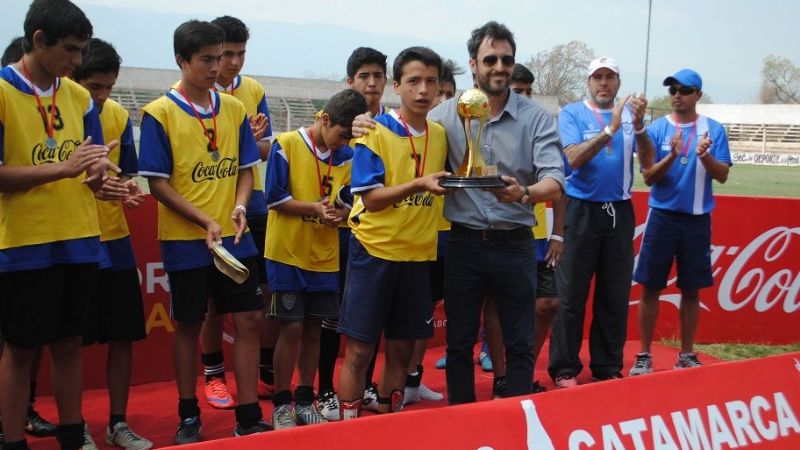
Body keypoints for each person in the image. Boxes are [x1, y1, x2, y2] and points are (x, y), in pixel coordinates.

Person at [137, 20, 269, 443]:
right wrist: (204, 220)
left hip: (233, 236)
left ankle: (248, 415)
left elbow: (246, 169)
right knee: (190, 323)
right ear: (182, 60)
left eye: (222, 58)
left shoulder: (232, 109)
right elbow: (158, 184)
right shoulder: (159, 113)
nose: (218, 67)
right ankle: (188, 415)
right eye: (207, 59)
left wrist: (239, 205)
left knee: (249, 319)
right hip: (186, 241)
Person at [0, 1, 117, 449]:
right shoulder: (5, 92)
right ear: (38, 40)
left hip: (80, 239)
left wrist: (104, 181)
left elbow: (88, 171)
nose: (77, 62)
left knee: (70, 345)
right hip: (24, 243)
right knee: (20, 349)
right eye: (70, 50)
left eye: (81, 51)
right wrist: (62, 170)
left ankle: (73, 435)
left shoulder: (79, 96)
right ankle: (13, 440)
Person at [428, 21, 564, 405]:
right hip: (465, 244)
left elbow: (555, 179)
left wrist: (525, 193)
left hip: (516, 244)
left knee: (519, 343)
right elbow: (405, 135)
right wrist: (368, 122)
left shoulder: (536, 118)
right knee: (458, 344)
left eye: (506, 59)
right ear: (473, 64)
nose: (499, 67)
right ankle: (462, 423)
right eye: (490, 59)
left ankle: (516, 422)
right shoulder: (444, 115)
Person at [337, 46, 449, 419]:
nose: (423, 90)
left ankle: (388, 423)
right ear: (396, 86)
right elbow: (370, 200)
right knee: (360, 350)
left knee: (401, 350)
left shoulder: (442, 133)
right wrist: (419, 184)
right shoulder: (374, 131)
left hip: (417, 257)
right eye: (414, 81)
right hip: (374, 251)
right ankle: (347, 429)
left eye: (430, 82)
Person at [265, 89, 367, 429]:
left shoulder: (348, 156)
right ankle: (281, 404)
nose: (341, 144)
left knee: (314, 329)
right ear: (324, 119)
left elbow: (351, 202)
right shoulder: (288, 145)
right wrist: (314, 208)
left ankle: (306, 400)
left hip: (324, 255)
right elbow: (275, 199)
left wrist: (342, 213)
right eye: (340, 135)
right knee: (291, 327)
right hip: (287, 252)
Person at [548, 57, 652, 388]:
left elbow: (648, 166)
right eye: (597, 77)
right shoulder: (572, 113)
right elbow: (574, 158)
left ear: (619, 82)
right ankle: (565, 367)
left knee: (614, 294)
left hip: (619, 211)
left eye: (610, 77)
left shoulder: (631, 116)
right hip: (580, 209)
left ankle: (607, 365)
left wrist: (638, 128)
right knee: (571, 295)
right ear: (588, 81)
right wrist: (610, 128)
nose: (603, 83)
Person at [72, 37, 151, 450]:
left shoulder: (118, 115)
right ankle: (75, 424)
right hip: (72, 239)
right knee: (69, 343)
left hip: (115, 241)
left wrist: (126, 189)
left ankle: (117, 424)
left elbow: (128, 174)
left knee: (122, 336)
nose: (101, 96)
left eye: (107, 87)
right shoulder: (62, 112)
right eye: (94, 87)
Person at [197, 14, 277, 410]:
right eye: (227, 54)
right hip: (213, 209)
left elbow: (263, 152)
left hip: (255, 204)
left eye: (240, 53)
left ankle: (263, 370)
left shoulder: (255, 89)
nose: (233, 63)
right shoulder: (191, 96)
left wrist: (257, 140)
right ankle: (213, 376)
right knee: (214, 301)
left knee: (259, 296)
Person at [631, 69, 731, 375]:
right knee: (650, 288)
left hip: (697, 220)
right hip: (662, 217)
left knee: (691, 291)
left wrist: (704, 157)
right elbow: (648, 177)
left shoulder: (713, 130)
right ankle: (644, 354)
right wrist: (673, 156)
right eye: (673, 89)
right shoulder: (658, 128)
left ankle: (686, 354)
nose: (677, 95)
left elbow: (723, 175)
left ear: (698, 95)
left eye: (685, 90)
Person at [482, 64, 567, 395]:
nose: (524, 97)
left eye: (529, 91)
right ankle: (503, 378)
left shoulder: (542, 126)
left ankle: (522, 371)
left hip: (539, 237)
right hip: (498, 232)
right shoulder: (484, 128)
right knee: (495, 306)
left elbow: (561, 187)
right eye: (518, 90)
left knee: (548, 304)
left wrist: (558, 234)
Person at [317, 46, 389, 420]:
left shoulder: (391, 127)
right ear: (350, 82)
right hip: (337, 240)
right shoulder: (339, 129)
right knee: (333, 318)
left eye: (378, 75)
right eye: (364, 76)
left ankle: (365, 386)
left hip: (376, 240)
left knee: (370, 323)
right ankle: (326, 390)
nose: (372, 83)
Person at [0, 34, 60, 445]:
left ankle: (23, 411)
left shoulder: (63, 102)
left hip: (28, 240)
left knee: (25, 339)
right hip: (10, 237)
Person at [404, 58, 465, 406]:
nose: (440, 100)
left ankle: (414, 379)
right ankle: (390, 385)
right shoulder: (397, 131)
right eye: (436, 92)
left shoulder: (451, 134)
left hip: (447, 236)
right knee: (408, 317)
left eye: (447, 95)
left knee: (427, 314)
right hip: (410, 236)